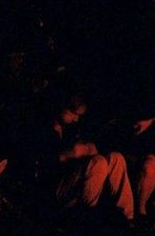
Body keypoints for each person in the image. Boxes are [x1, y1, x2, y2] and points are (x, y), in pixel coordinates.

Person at [37, 92, 134, 221]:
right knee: (98, 162)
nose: (76, 119)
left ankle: (127, 217)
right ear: (62, 107)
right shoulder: (42, 128)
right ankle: (85, 217)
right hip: (54, 188)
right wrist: (68, 154)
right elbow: (43, 163)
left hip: (75, 179)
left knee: (116, 158)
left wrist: (83, 150)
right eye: (74, 113)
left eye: (79, 116)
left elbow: (88, 149)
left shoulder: (72, 129)